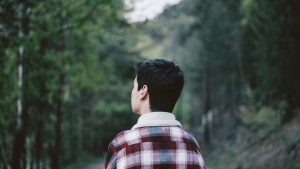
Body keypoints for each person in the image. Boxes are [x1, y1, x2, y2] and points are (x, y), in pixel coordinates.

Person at [105, 58, 206, 169]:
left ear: (143, 91)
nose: (132, 92)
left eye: (134, 87)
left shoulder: (122, 145)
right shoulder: (191, 144)